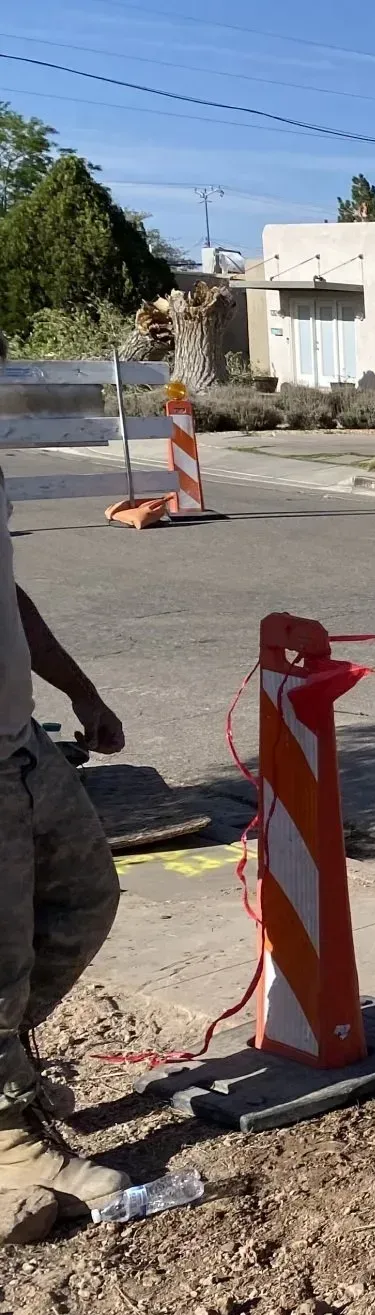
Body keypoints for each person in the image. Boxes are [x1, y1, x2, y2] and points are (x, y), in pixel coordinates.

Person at [0, 331, 130, 1210]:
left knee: (86, 896)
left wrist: (80, 693)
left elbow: (6, 591)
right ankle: (10, 1142)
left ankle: (4, 1063)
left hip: (21, 744)